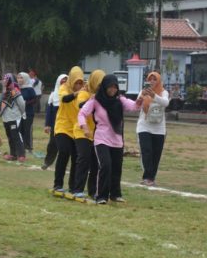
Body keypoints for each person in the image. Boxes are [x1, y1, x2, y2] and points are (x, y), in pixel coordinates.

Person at [78, 75, 142, 204]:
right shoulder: (96, 100)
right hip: (101, 139)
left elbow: (133, 107)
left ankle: (115, 194)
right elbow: (82, 113)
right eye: (110, 87)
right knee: (105, 166)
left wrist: (140, 100)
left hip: (117, 140)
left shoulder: (120, 100)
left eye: (115, 87)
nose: (112, 89)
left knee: (116, 168)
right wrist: (84, 127)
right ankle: (101, 196)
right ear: (104, 87)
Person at [70, 70, 104, 199]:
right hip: (81, 131)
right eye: (99, 83)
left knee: (95, 163)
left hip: (95, 132)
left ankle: (93, 191)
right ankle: (77, 189)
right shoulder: (84, 93)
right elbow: (81, 106)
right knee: (83, 159)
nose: (101, 86)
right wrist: (93, 98)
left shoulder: (102, 95)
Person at [52, 66, 84, 192]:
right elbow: (65, 99)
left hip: (77, 128)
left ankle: (73, 186)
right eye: (76, 82)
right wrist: (77, 93)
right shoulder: (64, 87)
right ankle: (58, 184)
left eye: (81, 82)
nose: (79, 85)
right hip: (63, 126)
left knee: (77, 157)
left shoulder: (85, 89)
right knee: (64, 152)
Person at [136, 72, 169, 186]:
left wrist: (154, 95)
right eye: (150, 79)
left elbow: (165, 103)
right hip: (144, 125)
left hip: (159, 128)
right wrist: (141, 97)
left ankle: (151, 178)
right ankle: (146, 177)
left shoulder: (164, 92)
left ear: (159, 81)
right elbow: (137, 105)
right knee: (146, 151)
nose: (152, 81)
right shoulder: (143, 91)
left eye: (155, 79)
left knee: (156, 154)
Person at [41, 74, 67, 170]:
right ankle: (47, 162)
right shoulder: (53, 95)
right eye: (62, 80)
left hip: (67, 124)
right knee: (53, 143)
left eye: (66, 81)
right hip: (55, 124)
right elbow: (49, 112)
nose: (64, 82)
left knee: (66, 146)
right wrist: (47, 125)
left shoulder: (70, 94)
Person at [0, 73, 26, 162]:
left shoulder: (15, 90)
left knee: (16, 136)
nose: (4, 81)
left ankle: (21, 154)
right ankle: (13, 154)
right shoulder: (5, 91)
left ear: (10, 80)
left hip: (14, 117)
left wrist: (21, 113)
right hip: (6, 118)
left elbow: (22, 104)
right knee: (10, 136)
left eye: (6, 80)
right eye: (4, 79)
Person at [17, 72, 37, 155]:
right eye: (18, 78)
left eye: (21, 78)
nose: (19, 79)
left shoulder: (30, 89)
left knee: (27, 130)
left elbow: (35, 99)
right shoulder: (16, 88)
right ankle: (21, 148)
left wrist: (25, 103)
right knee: (19, 130)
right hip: (18, 113)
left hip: (28, 113)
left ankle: (28, 148)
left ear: (25, 79)